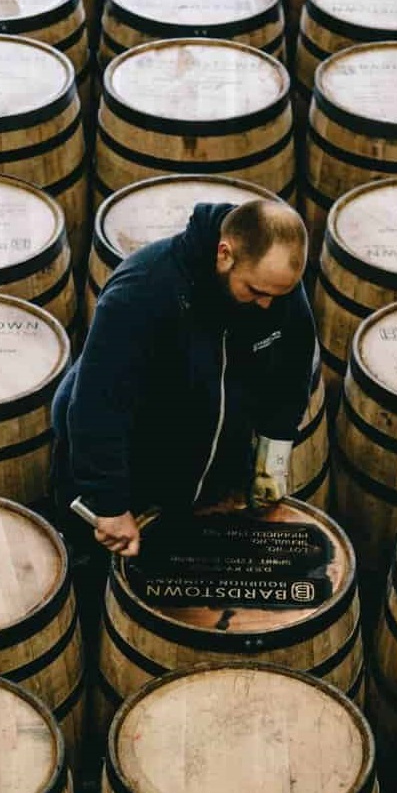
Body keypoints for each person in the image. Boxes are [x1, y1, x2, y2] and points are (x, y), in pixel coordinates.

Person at [52, 198, 317, 560]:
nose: (267, 306)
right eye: (255, 291)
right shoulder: (143, 290)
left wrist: (274, 450)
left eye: (278, 295)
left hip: (198, 477)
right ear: (225, 254)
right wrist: (110, 504)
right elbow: (97, 406)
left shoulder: (274, 287)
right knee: (100, 582)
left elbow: (293, 367)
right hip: (128, 471)